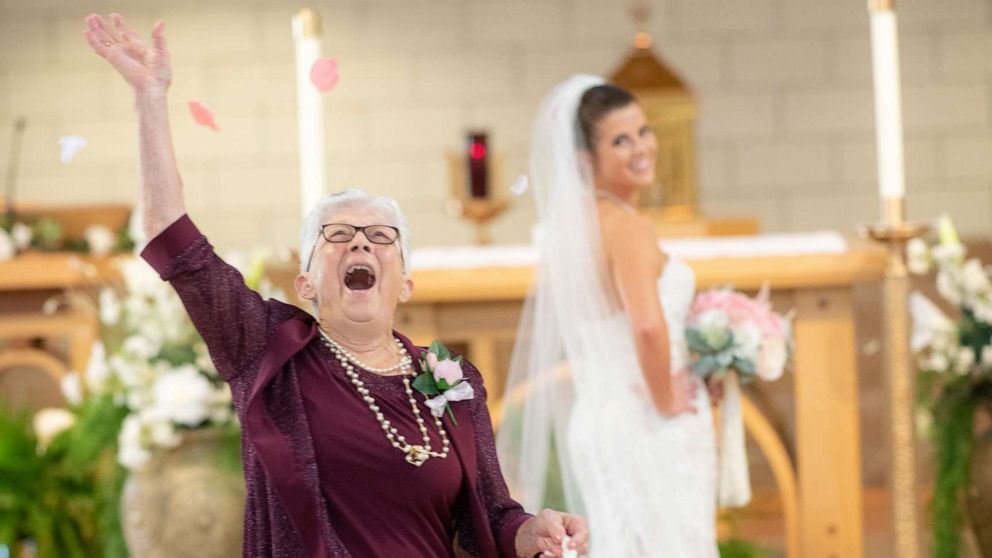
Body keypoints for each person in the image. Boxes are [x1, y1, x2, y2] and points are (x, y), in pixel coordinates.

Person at [83, 13, 588, 558]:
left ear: (406, 283)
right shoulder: (265, 349)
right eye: (338, 234)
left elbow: (491, 513)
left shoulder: (454, 380)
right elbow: (174, 240)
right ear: (306, 283)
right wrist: (151, 98)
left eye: (380, 235)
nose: (361, 244)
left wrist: (531, 530)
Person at [497, 75, 718, 556]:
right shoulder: (627, 227)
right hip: (647, 419)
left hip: (599, 420)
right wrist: (666, 400)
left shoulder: (572, 228)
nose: (641, 147)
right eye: (620, 140)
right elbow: (645, 326)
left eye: (643, 131)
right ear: (585, 159)